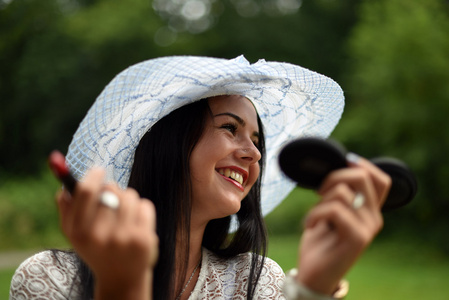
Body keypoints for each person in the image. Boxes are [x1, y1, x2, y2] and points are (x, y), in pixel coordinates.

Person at [9, 55, 390, 300]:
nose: (254, 153)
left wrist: (314, 289)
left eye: (257, 140)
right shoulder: (50, 280)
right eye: (229, 128)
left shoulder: (256, 283)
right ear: (170, 144)